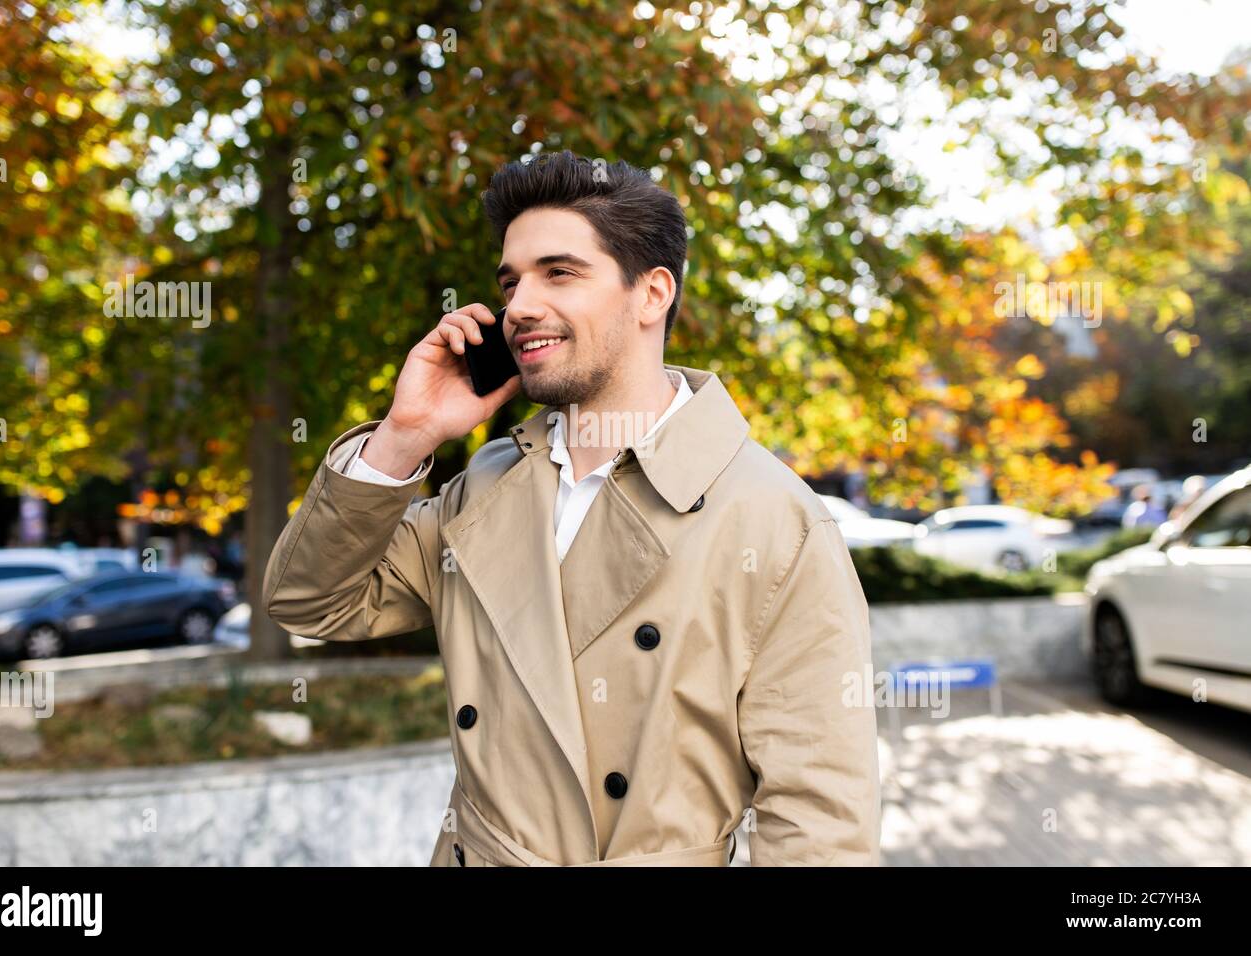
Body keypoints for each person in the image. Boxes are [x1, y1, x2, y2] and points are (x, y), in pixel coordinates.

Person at [262, 151, 880, 867]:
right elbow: (308, 601)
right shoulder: (489, 485)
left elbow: (818, 824)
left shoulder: (773, 518)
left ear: (651, 295)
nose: (519, 305)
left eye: (559, 272)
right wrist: (405, 436)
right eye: (511, 281)